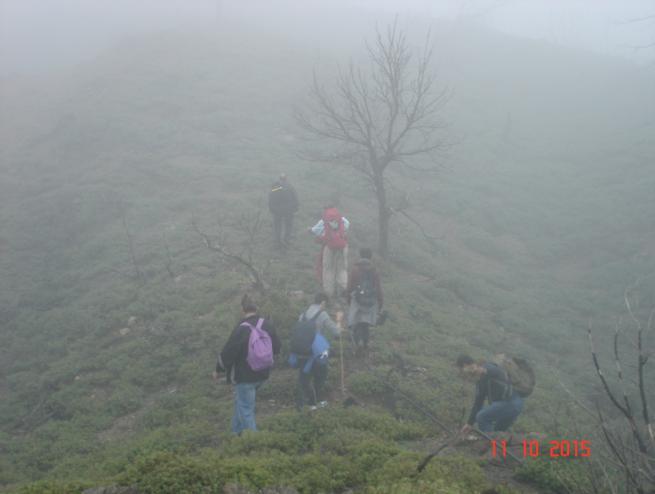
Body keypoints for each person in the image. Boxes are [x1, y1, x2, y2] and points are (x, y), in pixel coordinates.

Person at [213, 295, 281, 434]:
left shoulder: (241, 328)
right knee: (241, 403)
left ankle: (254, 441)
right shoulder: (267, 324)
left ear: (242, 310)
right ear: (257, 308)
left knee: (245, 409)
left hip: (245, 376)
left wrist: (218, 369)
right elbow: (277, 347)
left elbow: (229, 352)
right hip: (263, 373)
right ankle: (235, 434)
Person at [290, 293, 343, 410]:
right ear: (323, 302)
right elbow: (336, 332)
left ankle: (304, 405)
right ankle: (317, 403)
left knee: (304, 379)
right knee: (320, 377)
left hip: (302, 352)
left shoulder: (302, 314)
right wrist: (339, 321)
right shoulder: (322, 314)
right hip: (317, 353)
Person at [456, 354, 524, 434]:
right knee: (498, 433)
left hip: (511, 403)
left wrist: (484, 371)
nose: (464, 372)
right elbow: (478, 404)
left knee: (482, 417)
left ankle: (490, 443)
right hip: (512, 405)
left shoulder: (489, 367)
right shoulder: (481, 381)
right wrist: (469, 424)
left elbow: (496, 371)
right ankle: (496, 445)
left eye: (462, 369)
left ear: (465, 365)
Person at [346, 247, 383, 355]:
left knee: (357, 322)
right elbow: (378, 288)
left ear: (360, 255)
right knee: (365, 324)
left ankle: (357, 344)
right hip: (370, 302)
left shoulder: (355, 269)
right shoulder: (375, 270)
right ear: (370, 256)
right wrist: (380, 303)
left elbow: (350, 287)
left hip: (357, 300)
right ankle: (366, 344)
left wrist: (349, 299)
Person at [310, 206, 350, 300]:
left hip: (330, 247)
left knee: (328, 269)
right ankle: (343, 290)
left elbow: (315, 231)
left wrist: (310, 230)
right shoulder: (342, 219)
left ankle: (329, 293)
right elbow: (348, 225)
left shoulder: (324, 220)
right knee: (342, 269)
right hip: (342, 246)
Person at [268, 173, 299, 249]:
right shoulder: (290, 186)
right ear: (286, 179)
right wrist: (295, 208)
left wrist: (272, 209)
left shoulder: (275, 187)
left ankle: (278, 241)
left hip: (277, 211)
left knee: (277, 226)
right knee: (288, 225)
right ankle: (286, 240)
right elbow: (295, 198)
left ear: (279, 178)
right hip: (289, 210)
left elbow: (271, 198)